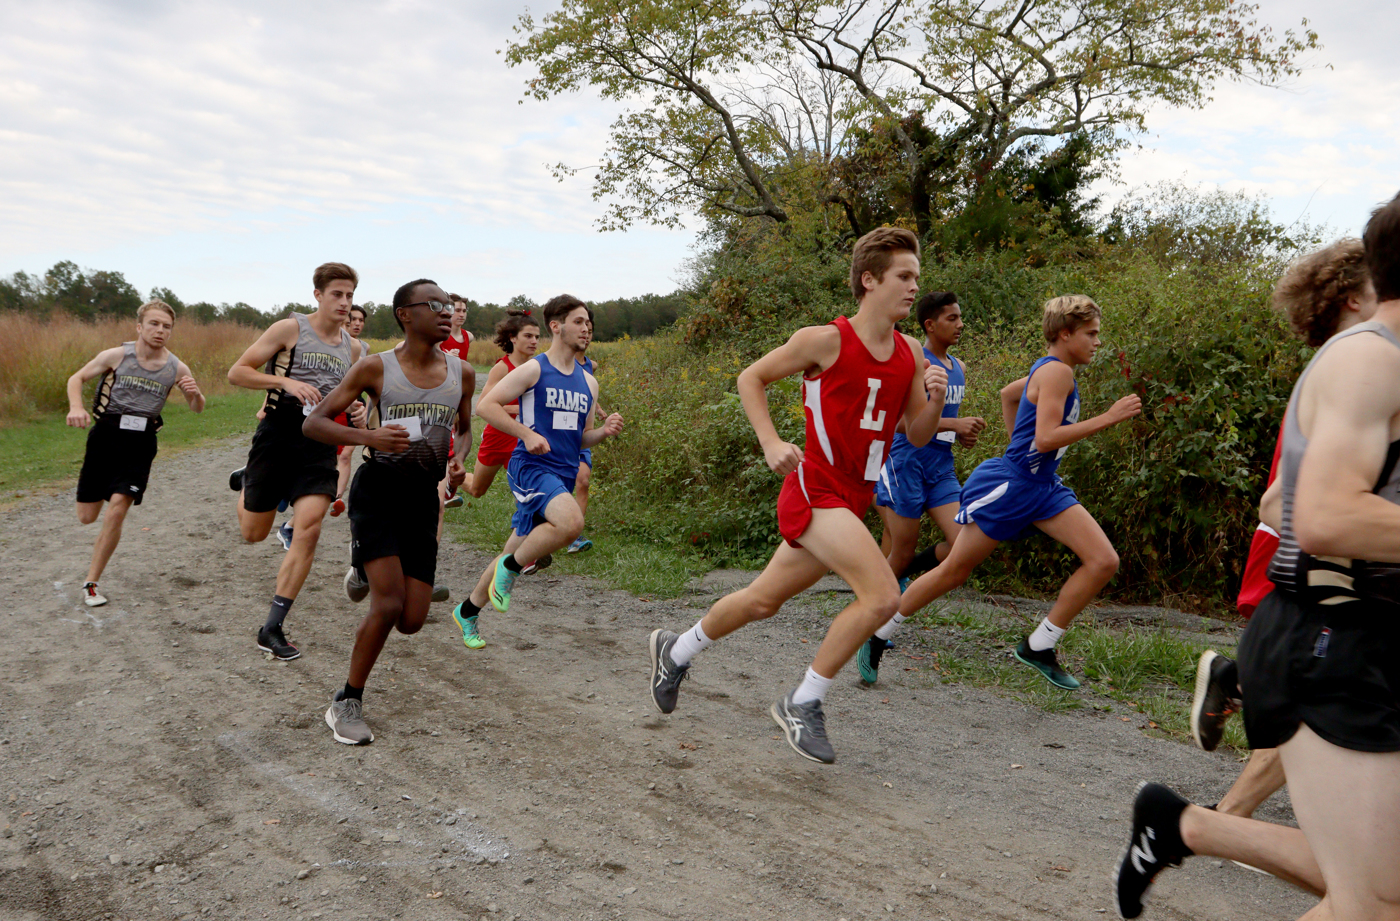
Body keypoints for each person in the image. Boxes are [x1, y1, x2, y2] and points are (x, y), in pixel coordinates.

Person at [1114, 229, 1394, 919]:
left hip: (1368, 633)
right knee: (1374, 900)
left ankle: (1188, 825)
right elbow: (1308, 511)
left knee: (1377, 888)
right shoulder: (1368, 361)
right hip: (1329, 633)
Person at [646, 227, 948, 765]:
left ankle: (678, 648)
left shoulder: (910, 355)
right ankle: (802, 701)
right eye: (904, 276)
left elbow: (916, 434)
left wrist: (933, 402)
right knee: (882, 597)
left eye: (916, 278)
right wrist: (770, 441)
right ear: (869, 279)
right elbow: (750, 378)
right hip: (816, 487)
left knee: (763, 600)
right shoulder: (825, 339)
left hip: (854, 497)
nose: (912, 287)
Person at [1189, 239, 1375, 832]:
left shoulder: (1345, 367)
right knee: (1317, 703)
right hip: (1304, 548)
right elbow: (1280, 500)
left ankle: (1222, 815)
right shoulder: (1353, 370)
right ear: (1351, 299)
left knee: (1319, 702)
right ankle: (1221, 820)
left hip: (1317, 547)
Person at [878, 295, 1141, 691]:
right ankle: (880, 629)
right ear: (1065, 333)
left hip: (1043, 486)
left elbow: (1008, 394)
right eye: (1091, 334)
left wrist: (1018, 443)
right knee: (954, 570)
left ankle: (1040, 644)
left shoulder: (1053, 369)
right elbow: (1047, 436)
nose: (1097, 342)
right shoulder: (1058, 374)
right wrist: (1108, 418)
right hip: (1015, 486)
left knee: (1103, 560)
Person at [306, 279, 473, 744]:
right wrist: (369, 437)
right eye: (434, 305)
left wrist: (457, 461)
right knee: (389, 605)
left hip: (422, 497)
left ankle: (363, 568)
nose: (446, 312)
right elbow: (313, 422)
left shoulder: (463, 372)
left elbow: (463, 429)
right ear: (405, 313)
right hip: (378, 490)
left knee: (413, 620)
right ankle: (346, 701)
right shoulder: (374, 368)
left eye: (450, 305)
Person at [449, 296, 623, 651]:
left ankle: (467, 611)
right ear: (556, 326)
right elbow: (485, 406)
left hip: (562, 471)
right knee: (572, 523)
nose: (586, 327)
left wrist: (603, 434)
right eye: (578, 321)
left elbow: (580, 438)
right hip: (531, 468)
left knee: (513, 547)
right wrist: (526, 435)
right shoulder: (534, 369)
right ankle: (512, 568)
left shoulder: (589, 383)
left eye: (588, 322)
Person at [227, 263, 364, 660]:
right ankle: (248, 477)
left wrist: (355, 409)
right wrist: (283, 381)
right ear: (318, 295)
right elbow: (238, 372)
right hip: (277, 435)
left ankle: (272, 627)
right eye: (337, 294)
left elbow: (341, 395)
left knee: (309, 529)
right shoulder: (290, 329)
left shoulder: (351, 347)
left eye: (350, 295)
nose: (344, 302)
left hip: (318, 441)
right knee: (254, 532)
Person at [860, 290, 985, 683]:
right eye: (952, 318)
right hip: (906, 462)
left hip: (941, 468)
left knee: (964, 546)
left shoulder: (958, 366)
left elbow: (942, 420)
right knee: (902, 548)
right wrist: (954, 425)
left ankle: (896, 582)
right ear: (930, 325)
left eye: (960, 317)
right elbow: (901, 423)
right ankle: (870, 627)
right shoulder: (917, 363)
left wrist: (960, 434)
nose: (960, 324)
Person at [65, 300, 204, 607]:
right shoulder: (117, 355)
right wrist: (76, 407)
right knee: (87, 517)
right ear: (140, 327)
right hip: (105, 436)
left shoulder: (177, 367)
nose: (160, 331)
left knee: (118, 507)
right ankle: (101, 492)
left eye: (166, 326)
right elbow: (76, 379)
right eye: (154, 324)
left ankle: (91, 582)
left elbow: (198, 407)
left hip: (141, 442)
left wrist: (194, 394)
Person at [460, 309, 541, 501]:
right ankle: (446, 474)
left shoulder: (538, 367)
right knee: (476, 490)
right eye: (528, 336)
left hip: (524, 437)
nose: (534, 341)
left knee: (530, 490)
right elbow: (482, 406)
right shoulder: (502, 368)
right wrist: (521, 410)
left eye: (537, 337)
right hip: (498, 436)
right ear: (513, 338)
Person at [330, 304, 371, 518]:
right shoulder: (329, 344)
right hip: (330, 401)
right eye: (352, 320)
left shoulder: (363, 347)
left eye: (360, 320)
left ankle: (335, 497)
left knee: (346, 453)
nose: (356, 324)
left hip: (354, 401)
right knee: (327, 452)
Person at [569, 318, 600, 553]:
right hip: (557, 436)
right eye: (583, 330)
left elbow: (588, 395)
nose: (586, 335)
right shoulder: (559, 364)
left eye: (590, 331)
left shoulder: (592, 366)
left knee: (583, 481)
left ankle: (574, 537)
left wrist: (598, 410)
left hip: (581, 436)